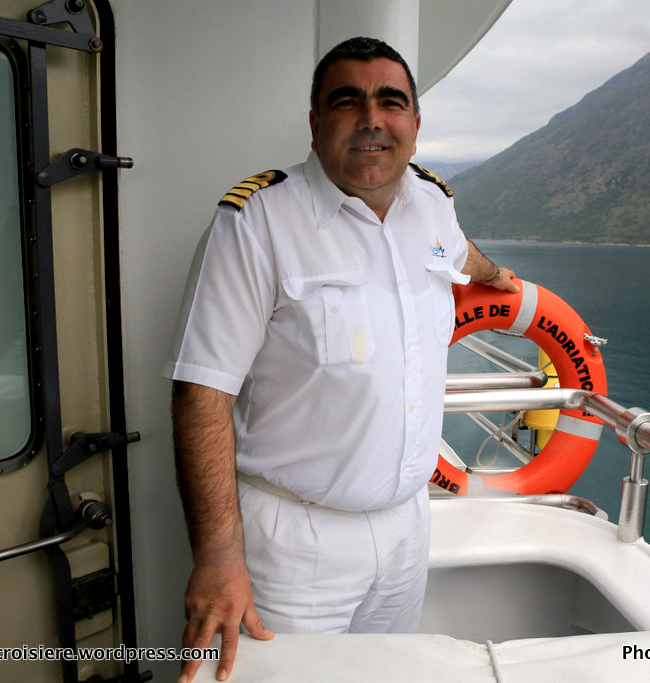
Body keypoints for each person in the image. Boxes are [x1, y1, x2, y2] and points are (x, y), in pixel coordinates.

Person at [164, 36, 517, 682]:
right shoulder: (258, 222)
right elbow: (201, 393)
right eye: (347, 101)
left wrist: (500, 278)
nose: (372, 119)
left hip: (408, 530)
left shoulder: (433, 204)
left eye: (390, 102)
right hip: (297, 545)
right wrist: (217, 554)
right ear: (316, 123)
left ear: (414, 123)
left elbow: (462, 255)